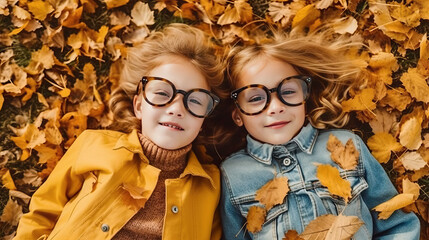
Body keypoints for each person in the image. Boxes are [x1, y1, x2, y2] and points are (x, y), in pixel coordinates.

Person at [13, 23, 224, 240]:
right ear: (139, 106)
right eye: (162, 93)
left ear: (204, 118)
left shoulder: (211, 186)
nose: (177, 109)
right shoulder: (94, 146)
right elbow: (42, 212)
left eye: (195, 101)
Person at [219, 31, 420, 240]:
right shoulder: (233, 174)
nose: (276, 107)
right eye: (256, 98)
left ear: (305, 96)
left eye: (287, 92)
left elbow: (396, 223)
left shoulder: (344, 145)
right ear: (237, 115)